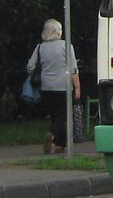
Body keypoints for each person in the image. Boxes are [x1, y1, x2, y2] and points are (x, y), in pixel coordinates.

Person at [26, 18, 80, 154]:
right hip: (64, 86)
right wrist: (77, 87)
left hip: (46, 87)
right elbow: (73, 68)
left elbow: (30, 67)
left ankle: (59, 145)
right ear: (57, 31)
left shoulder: (40, 47)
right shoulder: (66, 46)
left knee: (54, 115)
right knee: (63, 115)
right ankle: (51, 133)